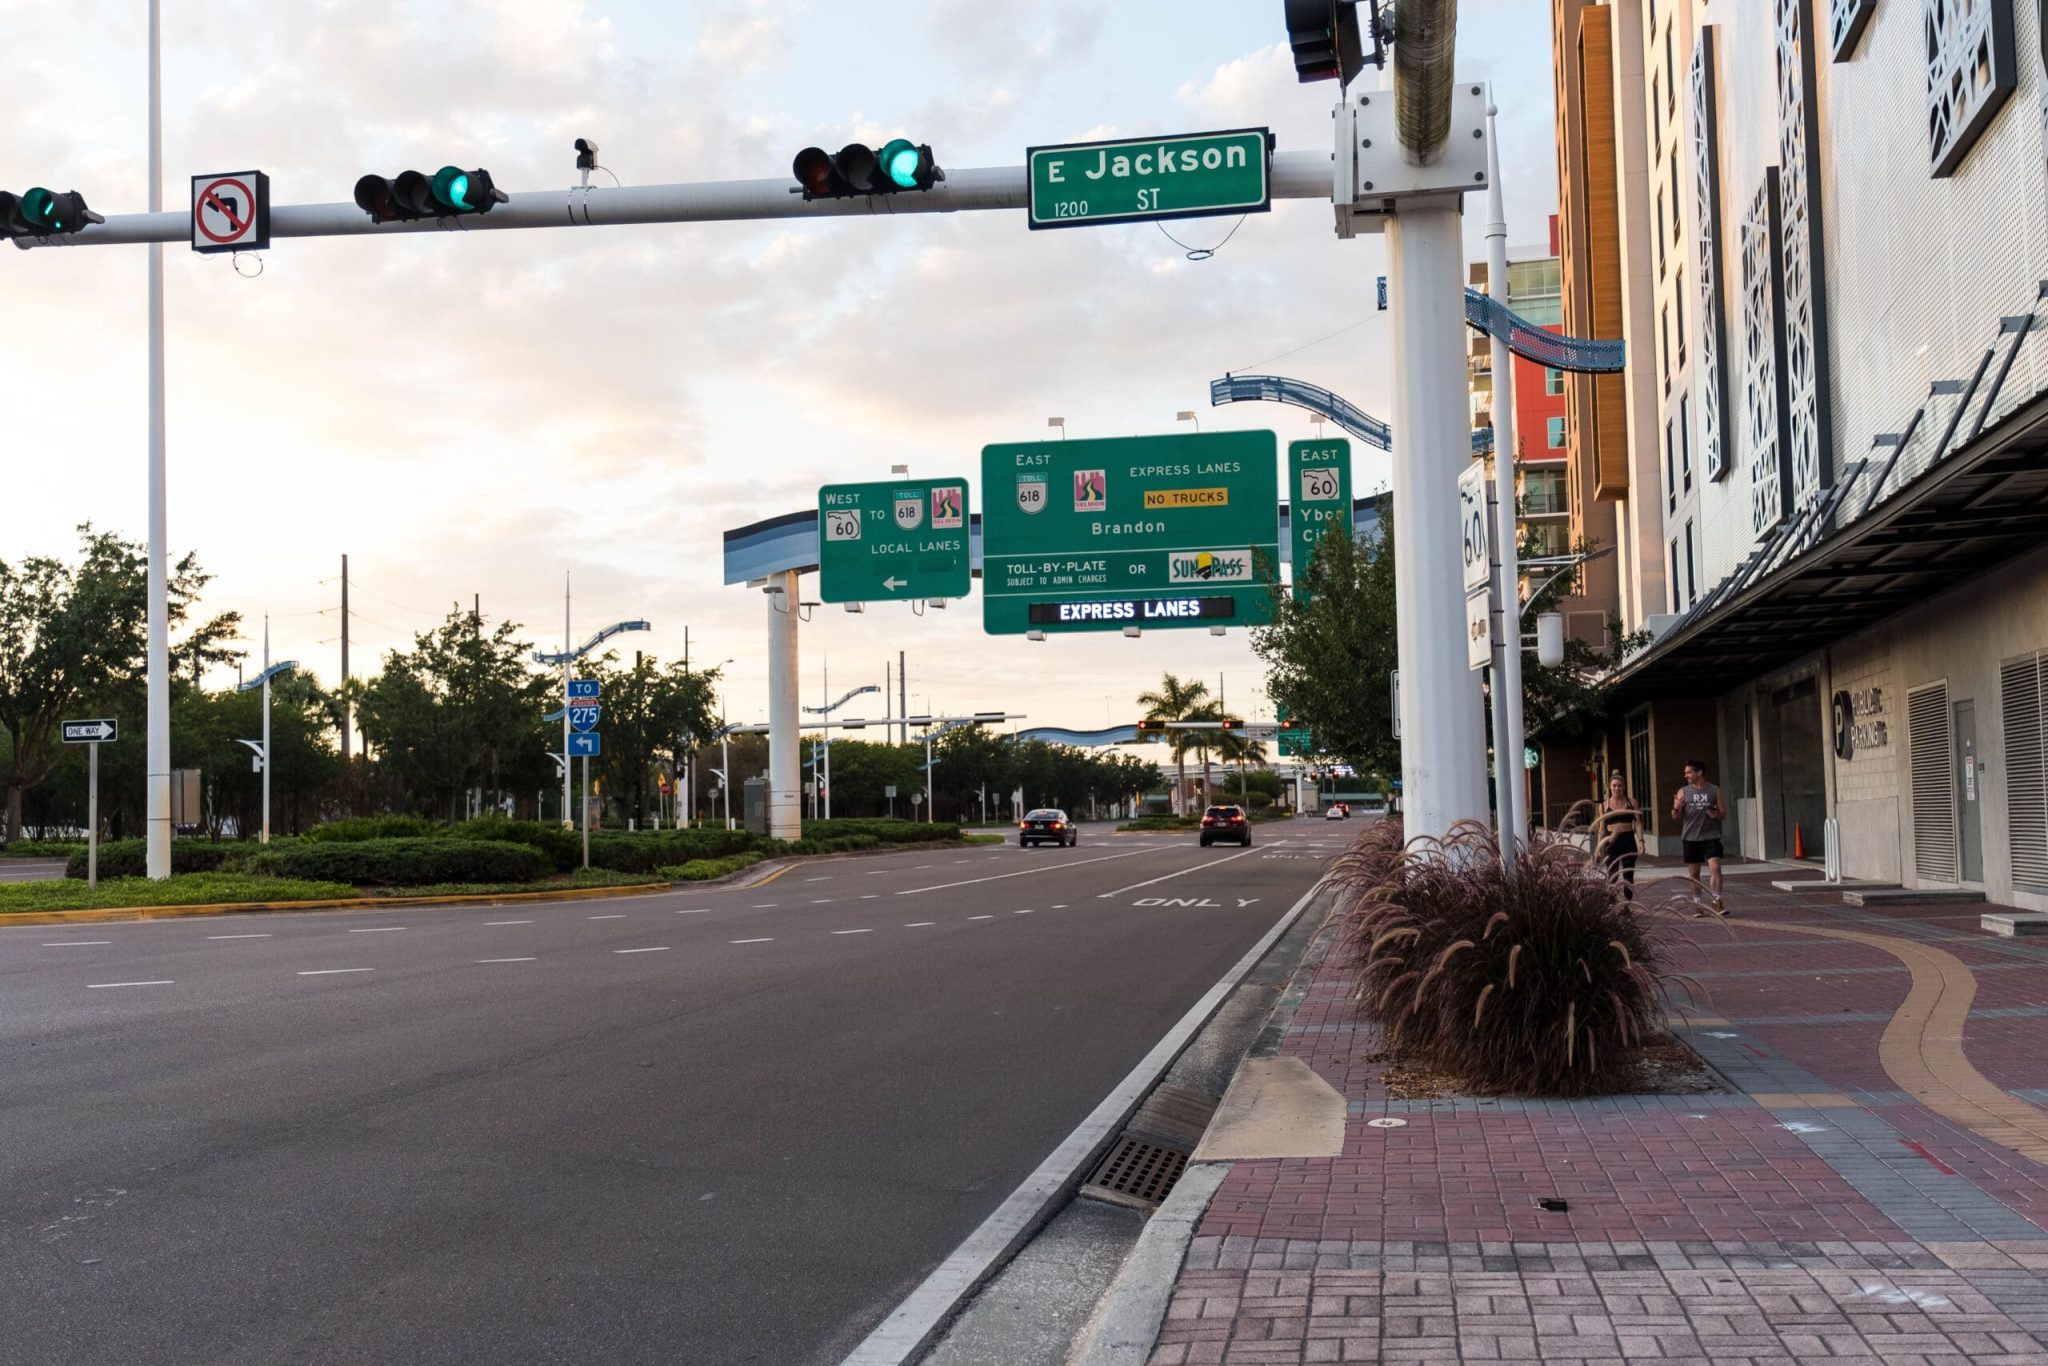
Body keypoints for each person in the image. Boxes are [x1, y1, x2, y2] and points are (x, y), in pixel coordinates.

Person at [1672, 759, 1729, 917]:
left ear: (1699, 772)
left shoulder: (1714, 790)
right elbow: (1675, 816)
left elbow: (1724, 814)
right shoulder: (1683, 791)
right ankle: (1697, 904)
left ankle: (1717, 901)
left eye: (1689, 772)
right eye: (1686, 773)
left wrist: (1716, 814)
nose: (1686, 776)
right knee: (1694, 873)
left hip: (1711, 835)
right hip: (1691, 837)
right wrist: (1677, 806)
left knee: (1715, 867)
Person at [1597, 772, 1640, 903]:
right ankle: (1611, 902)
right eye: (1614, 786)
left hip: (1628, 840)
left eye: (1620, 786)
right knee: (1612, 874)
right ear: (1610, 787)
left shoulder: (1631, 802)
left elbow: (1638, 823)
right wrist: (1599, 847)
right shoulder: (1603, 806)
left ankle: (1627, 903)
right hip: (1611, 842)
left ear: (1624, 787)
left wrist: (1642, 841)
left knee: (1628, 875)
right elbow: (1602, 828)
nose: (1617, 788)